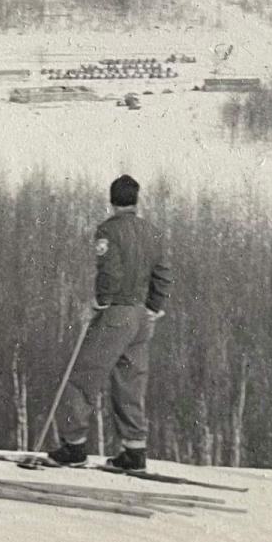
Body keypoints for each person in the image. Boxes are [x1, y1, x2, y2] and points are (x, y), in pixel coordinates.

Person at [47, 175, 174, 471]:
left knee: (82, 378)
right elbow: (163, 275)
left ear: (112, 200)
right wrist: (153, 308)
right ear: (136, 200)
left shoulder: (109, 231)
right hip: (142, 317)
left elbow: (110, 273)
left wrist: (100, 302)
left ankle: (74, 445)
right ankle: (134, 451)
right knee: (131, 383)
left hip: (117, 313)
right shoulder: (152, 232)